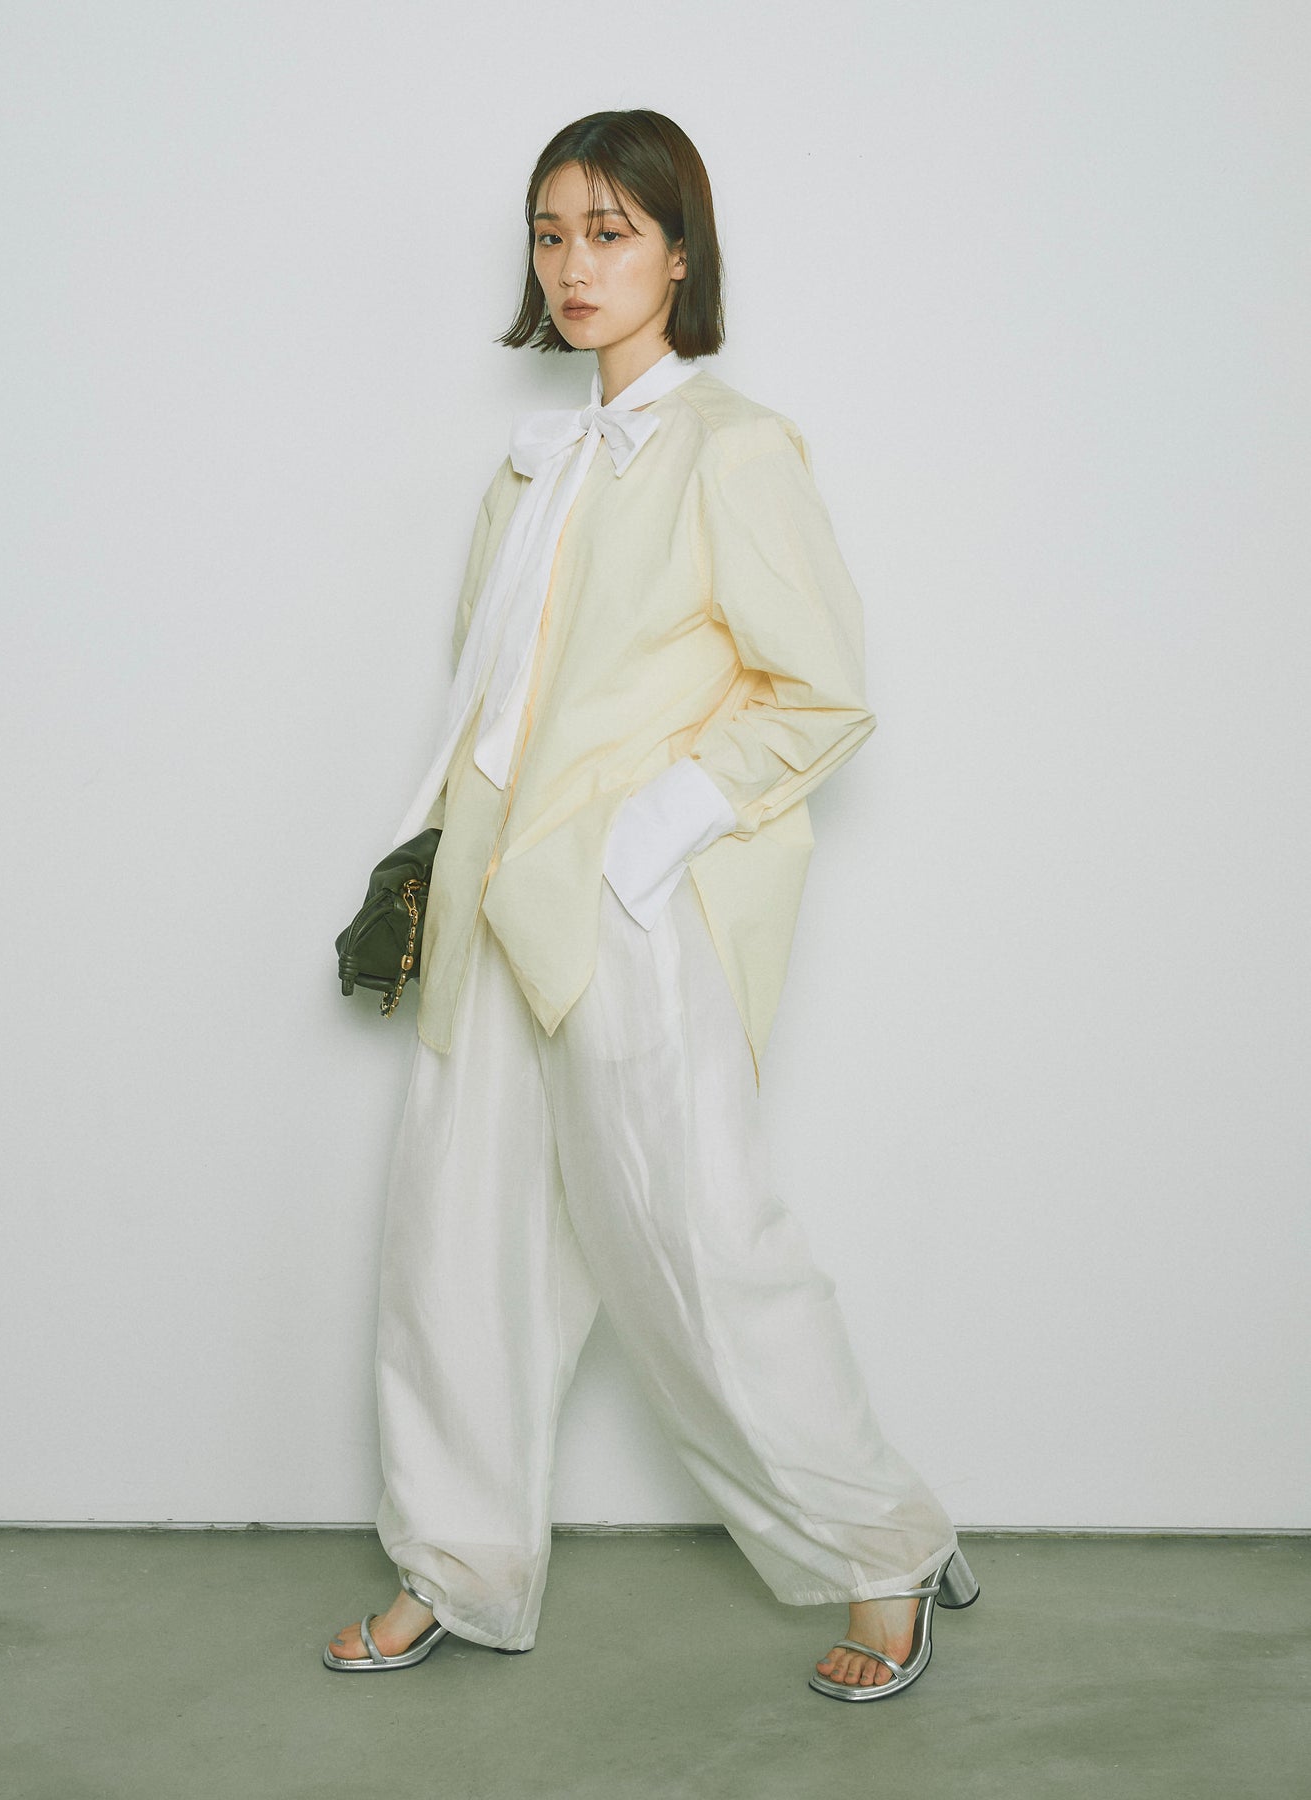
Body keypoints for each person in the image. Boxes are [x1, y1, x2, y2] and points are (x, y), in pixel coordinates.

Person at [324, 108, 978, 1701]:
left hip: (628, 915)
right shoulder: (530, 465)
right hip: (489, 902)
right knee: (455, 1251)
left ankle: (880, 1545)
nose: (575, 264)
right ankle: (455, 1565)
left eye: (610, 232)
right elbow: (490, 699)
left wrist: (645, 839)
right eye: (551, 233)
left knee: (699, 1249)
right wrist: (426, 860)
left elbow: (819, 694)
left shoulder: (731, 446)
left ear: (679, 255)